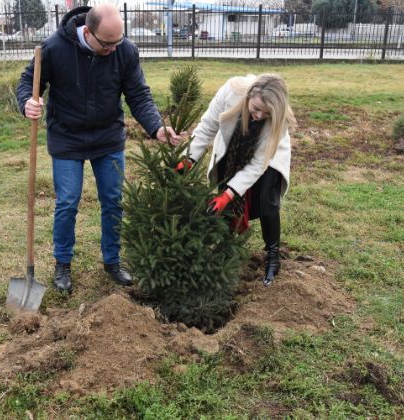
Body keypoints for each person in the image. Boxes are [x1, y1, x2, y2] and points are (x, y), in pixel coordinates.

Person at [17, 4, 182, 293]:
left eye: (118, 42)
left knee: (113, 200)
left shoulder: (124, 51)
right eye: (108, 44)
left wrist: (156, 127)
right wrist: (27, 103)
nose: (114, 49)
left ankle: (113, 261)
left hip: (107, 138)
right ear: (88, 32)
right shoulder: (54, 48)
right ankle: (63, 264)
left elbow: (138, 94)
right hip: (67, 137)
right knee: (67, 202)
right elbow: (28, 83)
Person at [178, 74, 296, 287]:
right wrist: (188, 159)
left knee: (267, 198)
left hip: (268, 155)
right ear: (249, 95)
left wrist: (230, 194)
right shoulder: (230, 92)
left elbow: (256, 165)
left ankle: (273, 256)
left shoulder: (278, 120)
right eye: (257, 108)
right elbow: (206, 128)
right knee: (225, 192)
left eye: (266, 113)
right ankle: (225, 251)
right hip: (233, 148)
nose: (259, 116)